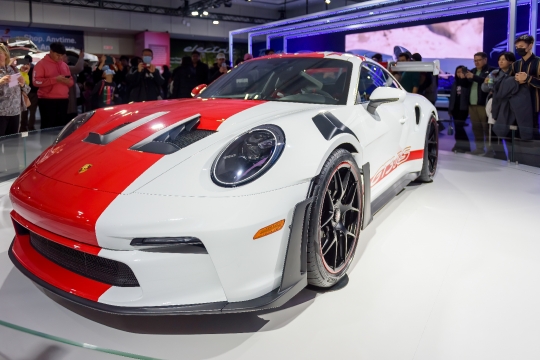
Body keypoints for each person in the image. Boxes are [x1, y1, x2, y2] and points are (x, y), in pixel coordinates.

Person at [33, 42, 73, 129]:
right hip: (47, 101)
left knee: (61, 128)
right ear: (51, 52)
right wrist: (55, 80)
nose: (60, 57)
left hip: (63, 100)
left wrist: (67, 82)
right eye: (58, 55)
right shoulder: (41, 64)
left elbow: (71, 82)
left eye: (62, 55)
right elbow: (36, 82)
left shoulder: (64, 65)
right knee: (48, 127)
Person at [511, 34, 540, 133]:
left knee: (533, 133)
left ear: (530, 46)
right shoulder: (515, 64)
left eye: (522, 47)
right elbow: (508, 81)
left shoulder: (538, 62)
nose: (519, 49)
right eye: (517, 47)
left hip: (535, 105)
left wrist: (528, 78)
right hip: (518, 105)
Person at [466, 52, 493, 155]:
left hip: (483, 105)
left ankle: (490, 150)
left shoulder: (490, 71)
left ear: (485, 60)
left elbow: (488, 82)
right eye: (475, 60)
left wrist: (473, 77)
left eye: (479, 60)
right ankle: (479, 148)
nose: (476, 62)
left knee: (486, 128)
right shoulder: (472, 71)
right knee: (476, 128)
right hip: (472, 105)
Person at [0, 43, 30, 136]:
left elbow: (27, 90)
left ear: (5, 55)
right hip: (1, 113)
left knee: (12, 143)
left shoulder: (14, 70)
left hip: (15, 112)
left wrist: (22, 84)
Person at [449, 65, 471, 153]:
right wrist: (450, 109)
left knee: (459, 127)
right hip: (455, 108)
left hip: (463, 108)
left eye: (461, 72)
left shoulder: (468, 82)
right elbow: (452, 97)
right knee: (457, 128)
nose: (460, 74)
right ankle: (459, 144)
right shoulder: (455, 83)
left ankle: (465, 146)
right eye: (458, 72)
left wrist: (463, 79)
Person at [63, 50, 85, 125]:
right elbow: (78, 68)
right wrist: (81, 57)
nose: (67, 58)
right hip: (69, 98)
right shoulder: (64, 67)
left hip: (73, 97)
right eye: (65, 56)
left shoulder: (66, 67)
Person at [20, 55, 38, 131]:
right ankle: (31, 127)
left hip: (25, 92)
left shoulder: (22, 69)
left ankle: (23, 127)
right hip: (34, 92)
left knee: (24, 110)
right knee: (33, 111)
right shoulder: (35, 68)